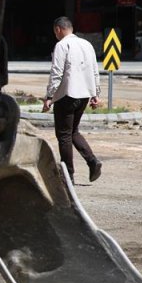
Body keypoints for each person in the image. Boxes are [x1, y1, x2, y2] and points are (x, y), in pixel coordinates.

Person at [42, 16, 102, 183]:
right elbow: (95, 70)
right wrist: (96, 93)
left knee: (64, 135)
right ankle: (93, 162)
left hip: (67, 95)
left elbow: (56, 73)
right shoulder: (87, 44)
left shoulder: (62, 45)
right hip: (84, 96)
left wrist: (49, 97)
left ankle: (68, 175)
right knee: (73, 131)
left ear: (58, 29)